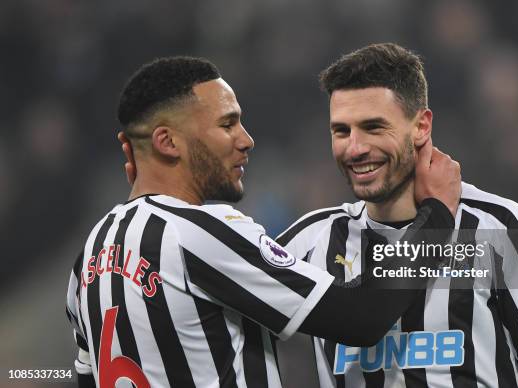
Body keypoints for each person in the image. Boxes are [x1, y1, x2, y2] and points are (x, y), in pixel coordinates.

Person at [66, 56, 462, 388]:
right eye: (227, 124)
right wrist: (438, 215)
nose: (246, 139)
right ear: (168, 143)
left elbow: (89, 375)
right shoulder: (198, 233)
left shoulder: (89, 256)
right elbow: (362, 317)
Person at [275, 43, 518, 387]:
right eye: (341, 131)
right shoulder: (310, 241)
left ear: (421, 126)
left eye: (374, 127)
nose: (355, 148)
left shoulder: (499, 226)